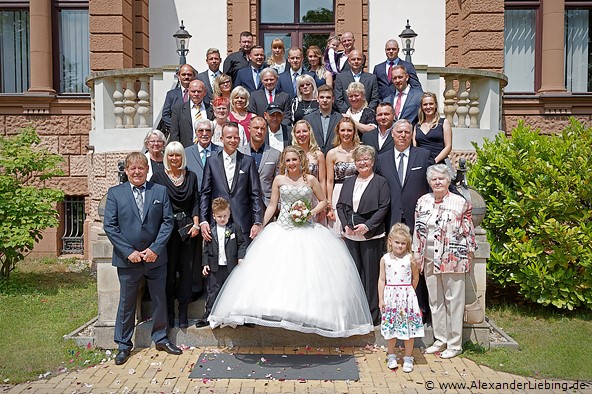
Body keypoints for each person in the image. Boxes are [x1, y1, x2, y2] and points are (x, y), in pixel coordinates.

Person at [207, 146, 373, 337]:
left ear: (300, 161)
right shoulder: (279, 180)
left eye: (294, 160)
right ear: (284, 162)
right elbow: (272, 205)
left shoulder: (309, 180)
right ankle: (277, 310)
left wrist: (309, 213)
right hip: (282, 228)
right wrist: (261, 224)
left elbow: (323, 201)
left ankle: (307, 313)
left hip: (306, 230)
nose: (291, 164)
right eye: (288, 160)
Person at [103, 152, 181, 366]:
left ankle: (161, 338)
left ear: (148, 170)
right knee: (126, 303)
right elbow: (110, 226)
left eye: (141, 168)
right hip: (128, 260)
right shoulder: (115, 193)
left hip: (155, 258)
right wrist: (128, 251)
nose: (137, 172)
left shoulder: (160, 191)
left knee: (159, 300)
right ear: (126, 171)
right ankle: (123, 344)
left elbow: (168, 222)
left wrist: (155, 248)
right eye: (132, 168)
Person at [414, 164, 476, 359]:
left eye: (441, 178)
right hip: (430, 257)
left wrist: (470, 254)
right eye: (434, 179)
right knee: (435, 301)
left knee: (454, 301)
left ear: (448, 180)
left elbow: (469, 231)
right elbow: (418, 230)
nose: (437, 182)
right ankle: (440, 339)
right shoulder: (423, 201)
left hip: (453, 258)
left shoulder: (460, 202)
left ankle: (455, 344)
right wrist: (417, 254)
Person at [375, 118, 434, 323]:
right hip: (390, 220)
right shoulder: (381, 159)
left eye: (407, 132)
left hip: (416, 221)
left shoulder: (424, 156)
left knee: (415, 265)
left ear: (412, 135)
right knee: (393, 266)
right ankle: (391, 310)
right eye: (399, 132)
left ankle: (420, 309)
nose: (403, 135)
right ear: (392, 134)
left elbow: (432, 185)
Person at [336, 145, 390, 325]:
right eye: (359, 160)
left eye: (366, 159)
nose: (363, 163)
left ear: (373, 161)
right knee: (354, 275)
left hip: (371, 236)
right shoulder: (349, 181)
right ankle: (356, 314)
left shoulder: (381, 182)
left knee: (371, 276)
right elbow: (340, 206)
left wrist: (368, 226)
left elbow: (384, 207)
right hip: (351, 235)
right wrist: (345, 226)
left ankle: (372, 316)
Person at [150, 142, 200, 329]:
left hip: (188, 230)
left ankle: (184, 311)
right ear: (166, 157)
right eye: (170, 155)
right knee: (169, 272)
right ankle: (169, 312)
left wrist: (196, 224)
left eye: (177, 155)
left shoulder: (191, 177)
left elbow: (195, 201)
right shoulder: (158, 177)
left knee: (187, 272)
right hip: (167, 230)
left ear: (182, 157)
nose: (174, 158)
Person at [199, 122, 264, 247]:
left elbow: (255, 194)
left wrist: (257, 222)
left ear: (239, 139)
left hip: (243, 222)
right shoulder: (211, 161)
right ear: (221, 138)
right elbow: (205, 193)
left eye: (236, 137)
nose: (233, 140)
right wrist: (203, 221)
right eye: (229, 137)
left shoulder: (248, 161)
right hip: (218, 222)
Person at [379, 223, 424, 372]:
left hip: (406, 298)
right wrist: (381, 298)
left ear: (407, 244)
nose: (400, 246)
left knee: (408, 329)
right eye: (397, 242)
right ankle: (391, 355)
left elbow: (415, 278)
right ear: (390, 241)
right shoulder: (385, 259)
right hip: (391, 298)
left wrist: (409, 293)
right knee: (392, 329)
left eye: (403, 243)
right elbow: (382, 279)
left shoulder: (410, 259)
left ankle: (408, 357)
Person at [196, 197, 247, 328]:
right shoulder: (210, 231)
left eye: (225, 216)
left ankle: (236, 315)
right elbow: (206, 249)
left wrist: (241, 257)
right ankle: (209, 314)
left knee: (232, 290)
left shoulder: (235, 228)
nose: (222, 219)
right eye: (219, 216)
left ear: (229, 214)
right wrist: (205, 264)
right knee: (213, 291)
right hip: (215, 266)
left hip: (231, 266)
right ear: (214, 216)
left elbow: (241, 244)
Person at [184, 119, 220, 299]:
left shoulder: (220, 151)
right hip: (193, 205)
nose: (204, 133)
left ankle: (216, 286)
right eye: (201, 130)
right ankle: (196, 286)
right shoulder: (186, 153)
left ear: (212, 133)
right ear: (196, 133)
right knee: (196, 249)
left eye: (208, 130)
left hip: (217, 205)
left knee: (216, 244)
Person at [326, 117, 360, 237]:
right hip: (338, 192)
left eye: (349, 130)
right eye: (343, 130)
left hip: (357, 191)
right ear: (338, 132)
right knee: (338, 233)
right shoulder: (332, 153)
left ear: (354, 132)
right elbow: (329, 181)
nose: (346, 133)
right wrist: (329, 205)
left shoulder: (360, 151)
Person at [239, 116, 282, 206]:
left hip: (267, 205)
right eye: (256, 128)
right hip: (244, 205)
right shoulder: (239, 153)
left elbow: (279, 182)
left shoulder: (275, 154)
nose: (259, 131)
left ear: (266, 131)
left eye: (262, 128)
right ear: (249, 129)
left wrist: (277, 205)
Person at [291, 119, 327, 223]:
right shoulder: (290, 155)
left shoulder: (318, 155)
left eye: (304, 131)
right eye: (298, 132)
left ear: (310, 133)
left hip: (315, 200)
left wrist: (323, 204)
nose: (301, 134)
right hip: (296, 198)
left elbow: (322, 180)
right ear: (294, 135)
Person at [169, 79, 214, 148]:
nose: (196, 94)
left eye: (199, 91)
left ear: (204, 92)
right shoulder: (178, 109)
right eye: (193, 91)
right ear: (188, 92)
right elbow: (174, 133)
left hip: (208, 150)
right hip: (186, 150)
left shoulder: (211, 109)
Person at [414, 92, 453, 165]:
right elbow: (414, 148)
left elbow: (448, 147)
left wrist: (434, 161)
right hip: (421, 163)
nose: (428, 107)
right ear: (422, 107)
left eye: (431, 104)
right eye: (425, 104)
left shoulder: (443, 123)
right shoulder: (417, 126)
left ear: (435, 105)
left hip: (438, 164)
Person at [303, 84, 343, 155]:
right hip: (314, 157)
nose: (325, 100)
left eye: (328, 97)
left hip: (335, 157)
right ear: (317, 99)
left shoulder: (340, 118)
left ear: (333, 99)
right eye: (322, 97)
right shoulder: (308, 119)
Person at [160, 64, 196, 135]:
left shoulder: (199, 94)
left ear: (194, 76)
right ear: (179, 76)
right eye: (183, 74)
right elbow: (165, 115)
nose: (186, 77)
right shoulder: (171, 95)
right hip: (177, 134)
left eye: (189, 74)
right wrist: (177, 126)